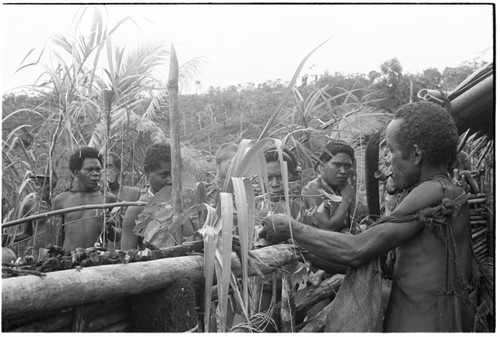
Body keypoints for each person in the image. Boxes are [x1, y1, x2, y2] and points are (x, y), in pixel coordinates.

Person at [259, 101, 473, 332]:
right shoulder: (439, 191)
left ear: (416, 153)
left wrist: (291, 228)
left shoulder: (435, 191)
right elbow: (364, 257)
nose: (387, 160)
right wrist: (299, 246)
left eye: (391, 150)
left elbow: (356, 249)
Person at [53, 147, 118, 251]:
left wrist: (110, 227)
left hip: (95, 260)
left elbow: (117, 237)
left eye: (98, 169)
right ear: (76, 172)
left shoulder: (108, 199)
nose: (96, 173)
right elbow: (56, 238)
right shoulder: (61, 200)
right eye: (89, 170)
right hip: (68, 259)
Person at [121, 143, 173, 250]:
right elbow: (127, 258)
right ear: (147, 172)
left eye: (175, 174)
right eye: (164, 175)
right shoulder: (137, 210)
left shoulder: (186, 205)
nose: (171, 180)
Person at [301, 141, 356, 232]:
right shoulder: (313, 188)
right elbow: (327, 228)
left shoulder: (341, 188)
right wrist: (346, 199)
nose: (343, 171)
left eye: (347, 166)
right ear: (323, 165)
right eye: (337, 165)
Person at [10, 168, 58, 259]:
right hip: (38, 253)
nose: (38, 187)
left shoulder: (59, 201)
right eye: (36, 184)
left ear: (53, 184)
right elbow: (27, 233)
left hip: (58, 251)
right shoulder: (29, 204)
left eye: (44, 184)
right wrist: (9, 239)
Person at [105, 152, 142, 249]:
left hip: (126, 249)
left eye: (109, 166)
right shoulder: (94, 198)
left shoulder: (134, 193)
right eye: (101, 167)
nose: (105, 171)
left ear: (118, 170)